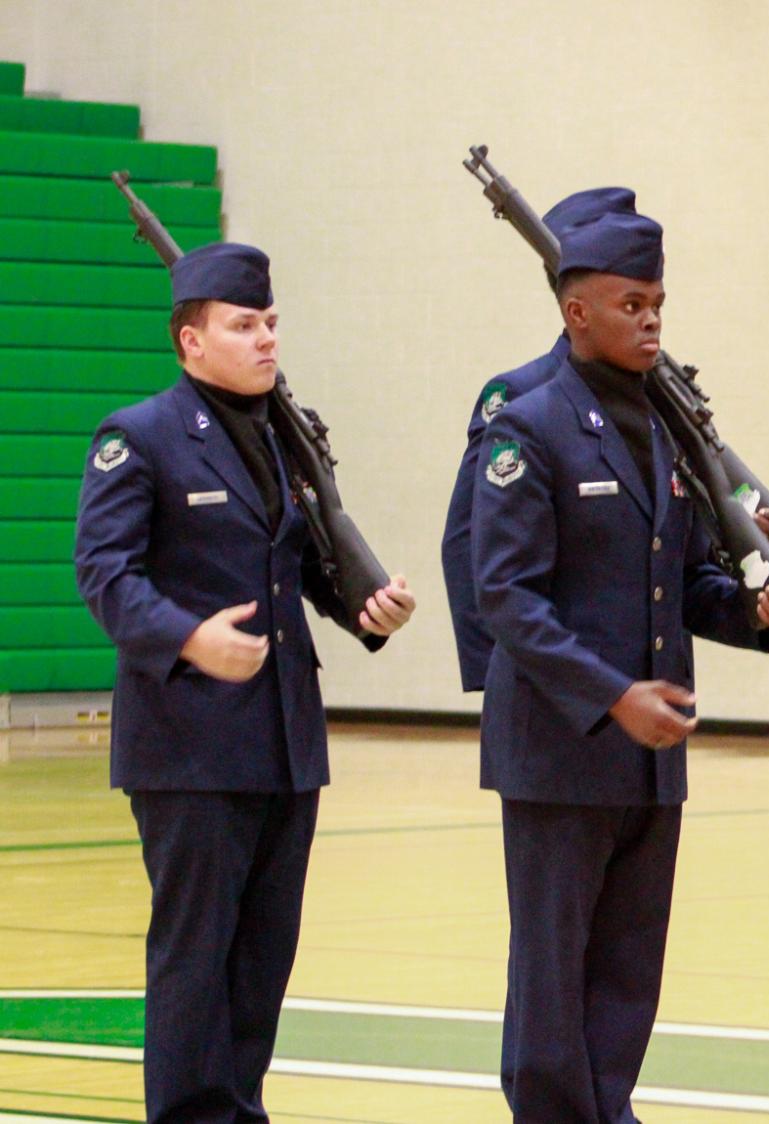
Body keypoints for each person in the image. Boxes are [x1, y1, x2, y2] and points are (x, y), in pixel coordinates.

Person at [471, 208, 769, 1121]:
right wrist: (611, 694)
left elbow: (685, 580)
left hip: (648, 753)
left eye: (659, 302)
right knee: (554, 973)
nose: (652, 319)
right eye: (632, 303)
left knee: (627, 971)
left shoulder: (666, 432)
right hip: (560, 747)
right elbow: (505, 596)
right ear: (577, 312)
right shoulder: (526, 428)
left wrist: (753, 606)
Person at [74, 241, 416, 1122]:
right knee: (196, 956)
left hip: (283, 739)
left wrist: (362, 610)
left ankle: (239, 1108)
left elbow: (293, 567)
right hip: (188, 742)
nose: (265, 340)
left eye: (270, 323)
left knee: (263, 957)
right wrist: (188, 638)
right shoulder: (139, 437)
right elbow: (105, 576)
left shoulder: (283, 441)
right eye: (242, 325)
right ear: (190, 341)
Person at [443, 186, 769, 693]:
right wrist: (495, 680)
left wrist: (747, 569)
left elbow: (674, 567)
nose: (648, 316)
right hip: (552, 704)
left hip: (654, 707)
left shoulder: (659, 403)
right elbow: (468, 543)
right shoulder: (522, 400)